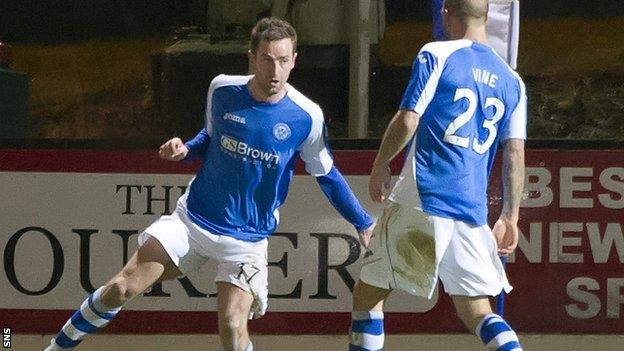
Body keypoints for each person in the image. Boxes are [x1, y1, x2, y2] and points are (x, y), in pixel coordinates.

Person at [45, 17, 374, 351]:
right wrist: (185, 150)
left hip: (247, 239)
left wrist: (363, 221)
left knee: (233, 327)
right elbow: (210, 139)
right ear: (252, 58)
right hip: (192, 221)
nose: (276, 71)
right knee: (120, 287)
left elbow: (327, 174)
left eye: (284, 60)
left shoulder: (307, 116)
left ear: (294, 61)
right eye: (267, 60)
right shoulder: (222, 89)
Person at [348, 0, 526, 350]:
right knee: (477, 310)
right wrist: (510, 215)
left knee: (368, 294)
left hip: (423, 197)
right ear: (487, 17)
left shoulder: (437, 53)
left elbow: (409, 118)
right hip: (471, 210)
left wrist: (381, 162)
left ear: (445, 15)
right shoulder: (513, 81)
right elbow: (515, 153)